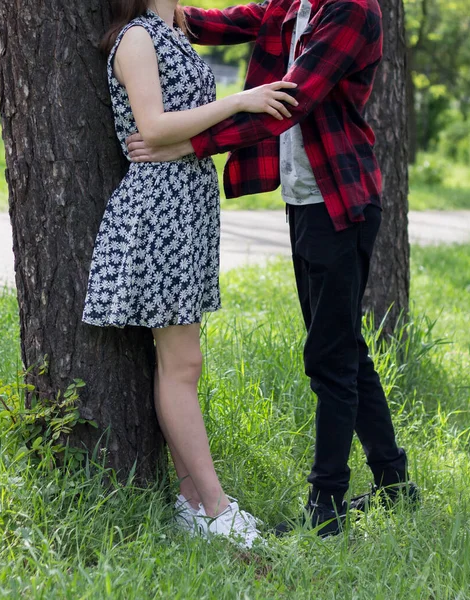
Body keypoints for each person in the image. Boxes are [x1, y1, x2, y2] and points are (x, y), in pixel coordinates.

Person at [126, 0, 419, 537]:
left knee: (328, 358)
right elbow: (230, 21)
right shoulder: (294, 5)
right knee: (344, 346)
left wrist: (188, 143)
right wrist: (164, 13)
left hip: (340, 202)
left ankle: (325, 509)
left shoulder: (351, 10)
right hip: (306, 201)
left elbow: (290, 101)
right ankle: (395, 483)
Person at [82, 0, 299, 548]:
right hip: (159, 211)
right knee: (183, 363)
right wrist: (240, 102)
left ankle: (191, 505)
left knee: (178, 363)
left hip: (185, 206)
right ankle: (218, 510)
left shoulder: (172, 29)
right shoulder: (135, 37)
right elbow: (151, 126)